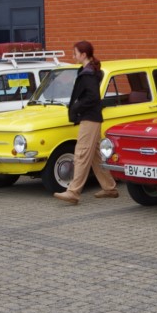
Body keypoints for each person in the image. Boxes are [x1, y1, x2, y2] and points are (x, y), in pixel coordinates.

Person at [53, 41, 119, 204]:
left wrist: (76, 107)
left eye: (75, 53)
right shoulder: (90, 71)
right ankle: (109, 188)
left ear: (83, 55)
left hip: (89, 118)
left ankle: (73, 192)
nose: (73, 56)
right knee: (96, 155)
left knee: (81, 153)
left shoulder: (88, 74)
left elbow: (92, 97)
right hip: (92, 117)